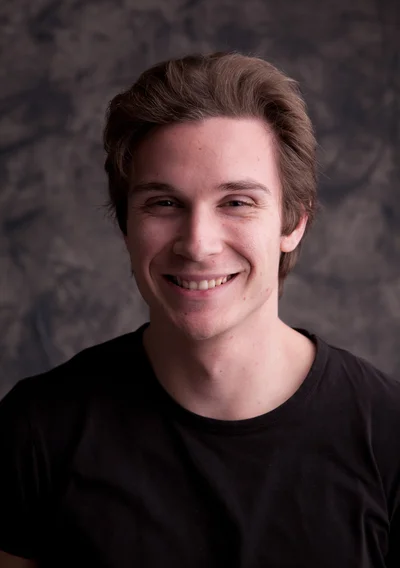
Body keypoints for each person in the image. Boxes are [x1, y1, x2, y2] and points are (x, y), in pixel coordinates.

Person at [0, 51, 399, 568]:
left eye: (237, 202)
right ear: (126, 225)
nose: (197, 244)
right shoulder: (35, 431)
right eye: (163, 203)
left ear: (294, 222)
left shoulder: (388, 435)